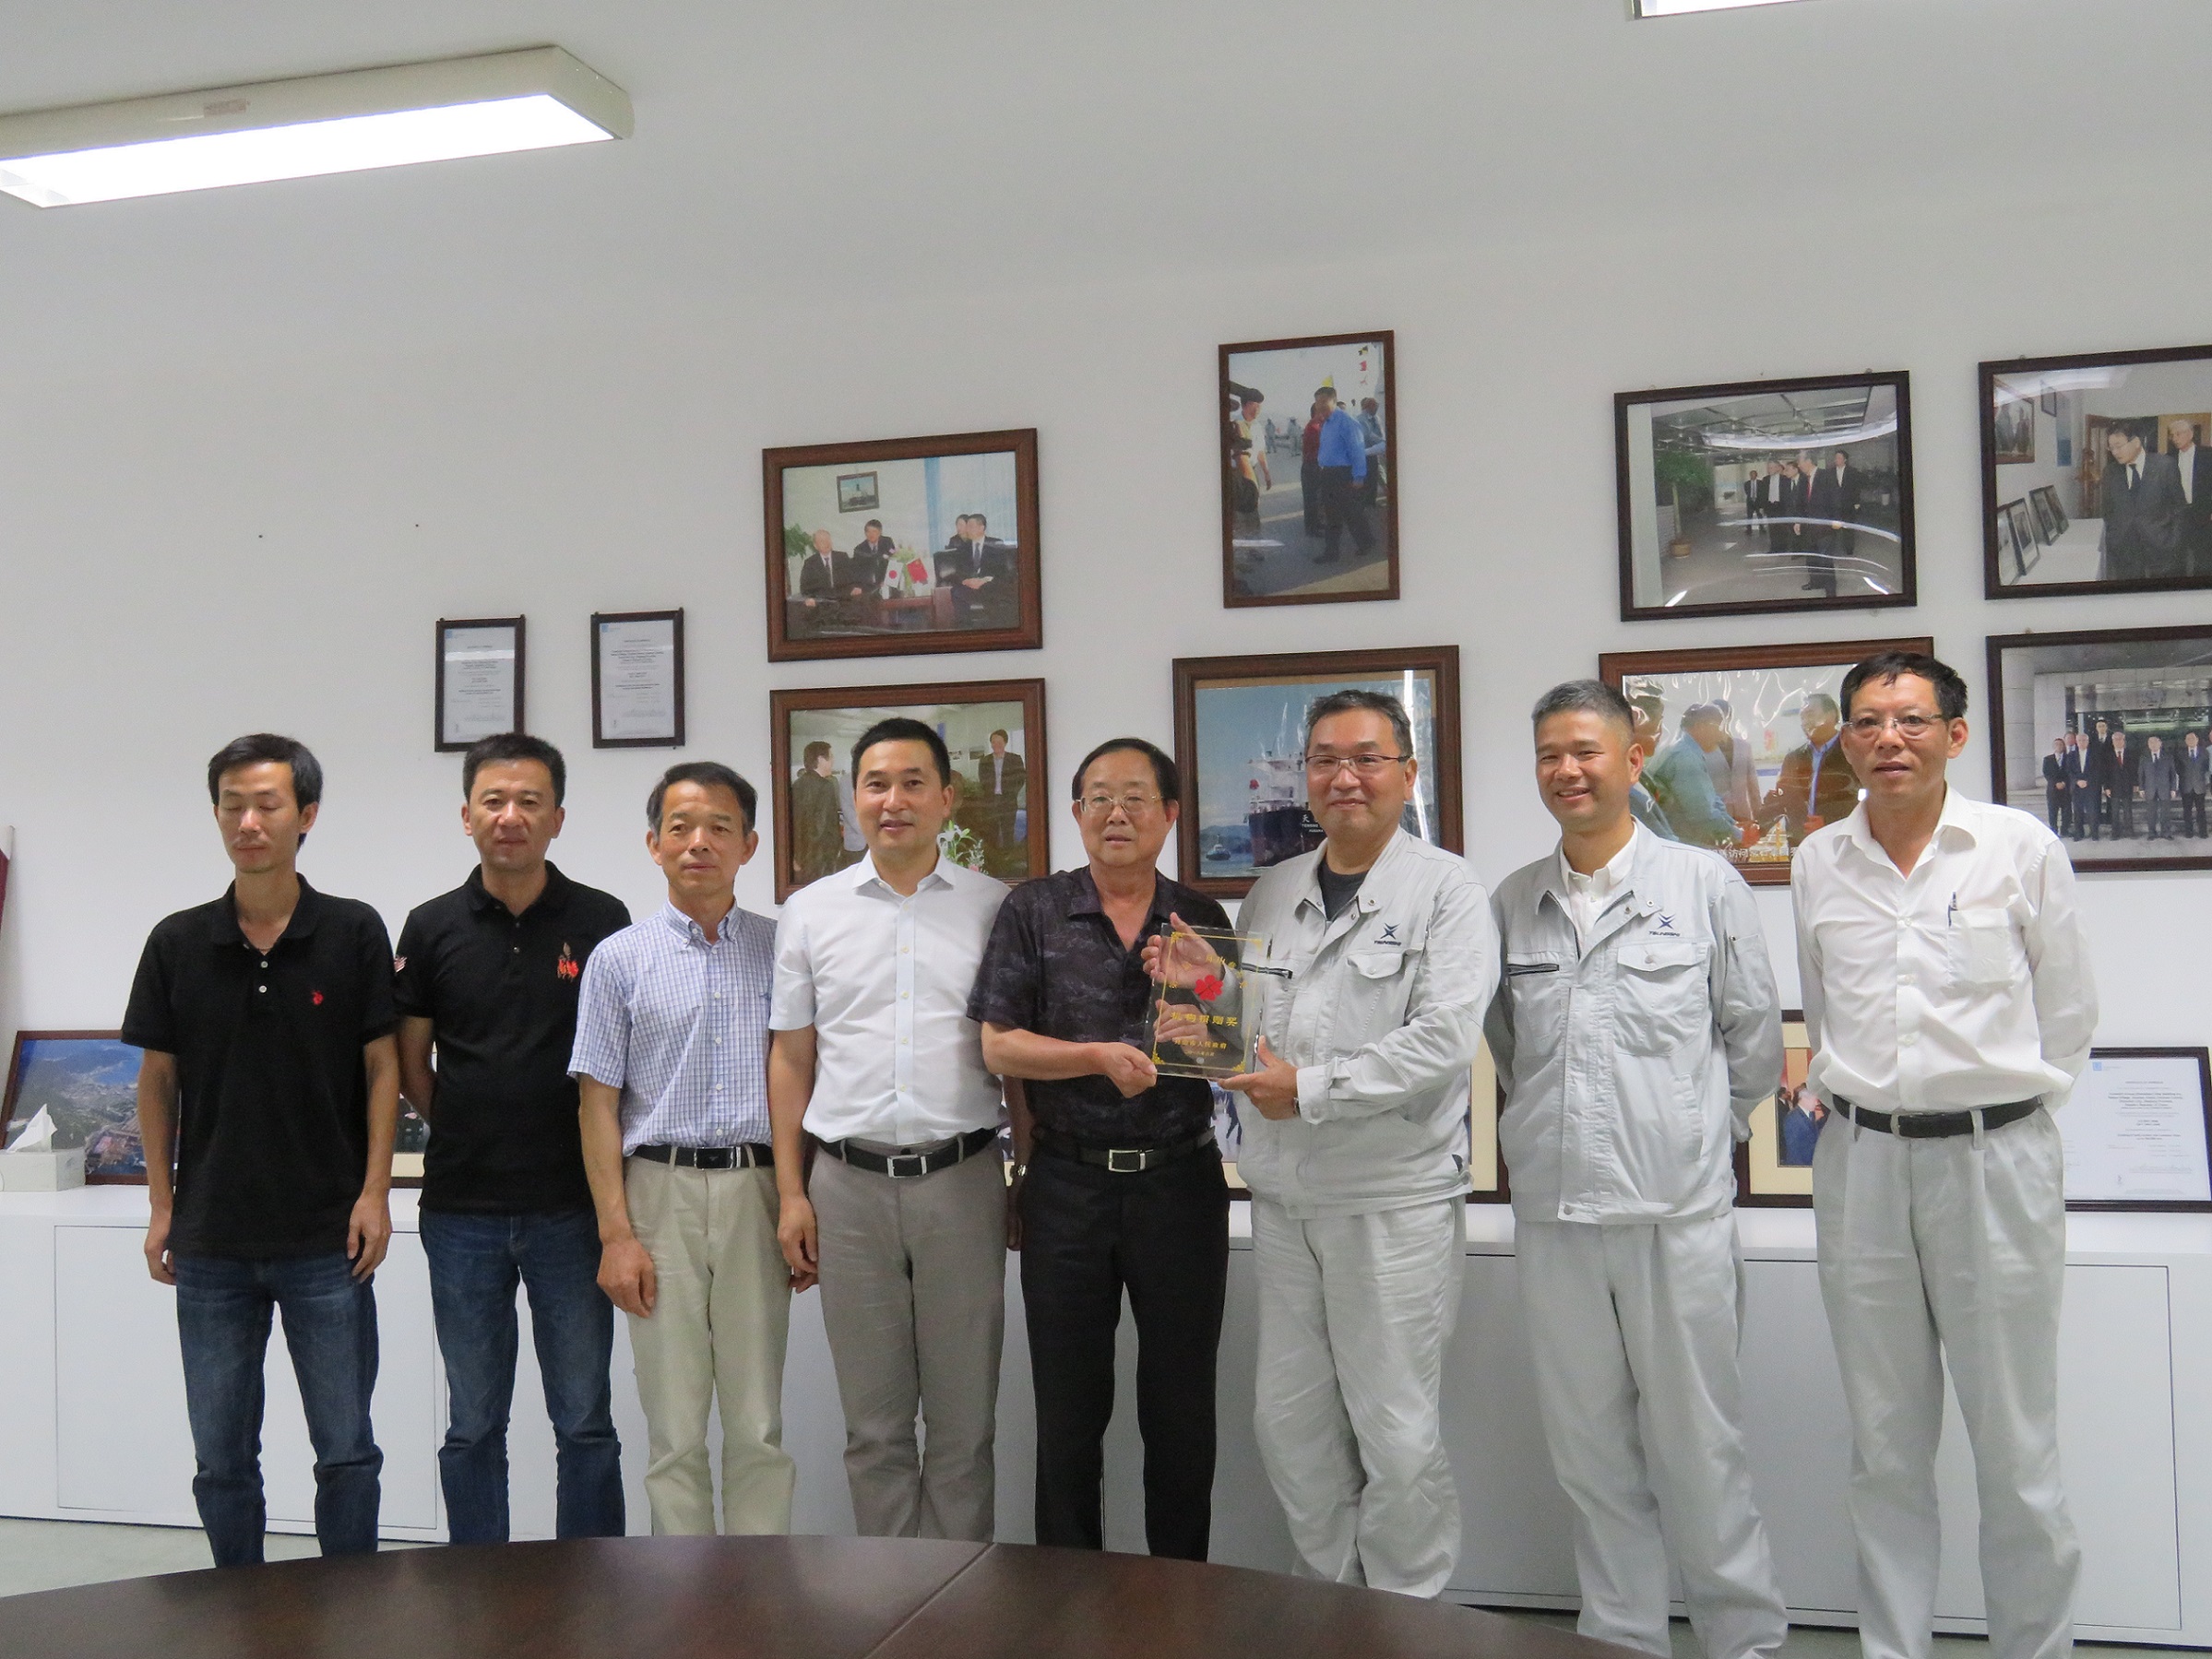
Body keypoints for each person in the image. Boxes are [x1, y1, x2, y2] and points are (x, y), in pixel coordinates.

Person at [1793, 649, 2097, 1659]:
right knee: (1883, 1444)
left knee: (2016, 1446)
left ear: (1954, 735)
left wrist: (2001, 1113)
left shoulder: (2018, 848)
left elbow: (2069, 1017)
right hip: (1863, 1165)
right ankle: (1894, 1647)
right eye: (1868, 722)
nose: (1889, 738)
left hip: (1994, 1160)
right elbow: (1826, 1015)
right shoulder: (1818, 860)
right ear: (1845, 740)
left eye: (1912, 720)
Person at [1485, 680, 1787, 1659]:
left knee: (1703, 1449)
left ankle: (1743, 1640)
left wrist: (1687, 1135)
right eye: (1549, 754)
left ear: (1631, 757)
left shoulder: (1704, 886)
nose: (1566, 770)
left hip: (1675, 1216)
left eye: (1585, 750)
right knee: (1590, 1457)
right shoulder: (1513, 901)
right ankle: (1620, 1637)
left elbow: (1751, 1043)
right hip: (1557, 1215)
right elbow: (1510, 1049)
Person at [1209, 688, 1495, 1597]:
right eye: (1326, 759)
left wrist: (1311, 1089)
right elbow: (1243, 1031)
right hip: (1284, 1199)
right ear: (1304, 776)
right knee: (1290, 1425)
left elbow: (1442, 1040)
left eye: (1368, 758)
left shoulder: (1447, 889)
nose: (1345, 776)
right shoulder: (1272, 888)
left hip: (1391, 1200)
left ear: (1407, 773)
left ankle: (1406, 1613)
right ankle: (1331, 1604)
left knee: (1397, 1431)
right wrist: (1196, 998)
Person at [123, 734, 398, 1566]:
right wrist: (162, 1206)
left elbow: (382, 1067)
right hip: (212, 1241)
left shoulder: (352, 930)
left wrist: (375, 1193)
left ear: (305, 815)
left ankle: (348, 1602)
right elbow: (156, 1082)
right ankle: (235, 1607)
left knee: (346, 1450)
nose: (248, 822)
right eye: (232, 805)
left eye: (267, 804)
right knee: (222, 1460)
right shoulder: (177, 941)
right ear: (216, 815)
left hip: (327, 1239)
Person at [970, 737, 1232, 1560]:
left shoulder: (1201, 916)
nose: (1116, 813)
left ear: (1170, 813)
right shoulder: (1034, 909)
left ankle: (1180, 1591)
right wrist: (1094, 1057)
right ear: (1077, 811)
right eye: (1099, 798)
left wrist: (1197, 988)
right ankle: (1067, 1596)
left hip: (1180, 1181)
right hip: (1067, 1183)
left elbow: (1225, 1052)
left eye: (1135, 797)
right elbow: (998, 1044)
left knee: (1182, 1405)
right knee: (1067, 1407)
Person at [768, 717, 1012, 1541]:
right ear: (855, 799)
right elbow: (791, 1058)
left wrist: (1025, 1176)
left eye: (913, 782)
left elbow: (1014, 1054)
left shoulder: (995, 907)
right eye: (876, 783)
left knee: (964, 1425)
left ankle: (961, 1595)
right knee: (873, 1429)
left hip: (963, 1181)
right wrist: (792, 1192)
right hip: (846, 1188)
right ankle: (891, 1597)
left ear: (947, 797)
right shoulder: (810, 911)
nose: (893, 800)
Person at [393, 733, 631, 1544]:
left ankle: (589, 1579)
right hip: (461, 1208)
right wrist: (463, 1121)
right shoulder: (430, 926)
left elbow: (617, 1062)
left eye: (530, 801)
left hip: (573, 1206)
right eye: (493, 800)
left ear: (558, 817)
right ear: (466, 816)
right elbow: (411, 1061)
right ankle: (478, 1582)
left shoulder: (602, 920)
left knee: (585, 1420)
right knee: (472, 1423)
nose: (510, 816)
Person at [570, 763, 793, 1535]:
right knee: (673, 1428)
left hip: (757, 1188)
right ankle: (681, 1591)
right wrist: (616, 1234)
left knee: (758, 1420)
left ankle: (758, 1583)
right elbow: (597, 1104)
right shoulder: (618, 958)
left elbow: (803, 1081)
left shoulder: (783, 950)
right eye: (681, 827)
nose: (699, 842)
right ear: (654, 843)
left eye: (719, 827)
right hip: (656, 1193)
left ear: (749, 845)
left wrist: (798, 1199)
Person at [1757, 693, 1857, 845]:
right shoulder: (1794, 758)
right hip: (1800, 844)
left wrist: (1829, 821)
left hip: (1842, 841)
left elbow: (1868, 798)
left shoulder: (1852, 753)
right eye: (1802, 717)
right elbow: (1781, 798)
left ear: (1831, 716)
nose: (1805, 722)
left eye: (1810, 715)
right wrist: (1758, 827)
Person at [1643, 705, 1747, 849]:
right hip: (1680, 844)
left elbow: (1711, 800)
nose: (1722, 737)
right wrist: (1739, 836)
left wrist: (1733, 825)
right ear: (1700, 726)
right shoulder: (1685, 757)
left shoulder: (1683, 749)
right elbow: (1702, 814)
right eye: (1719, 728)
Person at [2101, 427, 2184, 582]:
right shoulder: (2110, 472)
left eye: (2118, 446)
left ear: (2136, 442)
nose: (2115, 452)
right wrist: (2115, 537)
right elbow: (2108, 511)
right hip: (2125, 550)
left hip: (2162, 547)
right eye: (2111, 448)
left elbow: (2179, 507)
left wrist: (2174, 541)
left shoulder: (2165, 466)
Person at [1312, 387, 1376, 565]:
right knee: (1331, 515)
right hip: (1328, 474)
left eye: (1323, 401)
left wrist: (1358, 477)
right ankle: (1331, 553)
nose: (1320, 405)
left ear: (1333, 400)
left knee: (1352, 513)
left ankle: (1366, 542)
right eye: (1317, 402)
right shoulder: (1326, 423)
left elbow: (1357, 450)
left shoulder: (1347, 422)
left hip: (1343, 474)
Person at [936, 514, 1017, 629]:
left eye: (971, 526)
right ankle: (965, 630)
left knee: (996, 591)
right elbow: (958, 570)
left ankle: (995, 629)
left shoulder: (995, 544)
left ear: (981, 528)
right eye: (967, 526)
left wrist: (984, 580)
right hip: (969, 585)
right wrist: (966, 580)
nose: (967, 530)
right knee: (956, 592)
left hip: (989, 584)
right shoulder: (963, 547)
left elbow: (1002, 570)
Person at [791, 741, 848, 888]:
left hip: (803, 858)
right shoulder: (826, 786)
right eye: (831, 757)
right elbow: (823, 827)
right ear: (821, 759)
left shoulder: (797, 785)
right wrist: (836, 850)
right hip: (821, 858)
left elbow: (796, 824)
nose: (833, 761)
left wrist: (797, 856)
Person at [973, 729, 1027, 877]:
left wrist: (1011, 793)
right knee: (992, 831)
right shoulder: (985, 761)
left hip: (1008, 800)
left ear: (1005, 743)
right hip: (991, 801)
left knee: (1008, 830)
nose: (996, 744)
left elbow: (1020, 778)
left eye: (999, 742)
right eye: (993, 742)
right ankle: (994, 864)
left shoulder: (1014, 759)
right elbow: (983, 780)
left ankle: (1008, 862)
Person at [2169, 418, 2212, 580]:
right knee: (2177, 557)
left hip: (2204, 513)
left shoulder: (2208, 455)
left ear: (2191, 434)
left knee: (2204, 558)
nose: (2175, 438)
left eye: (2178, 434)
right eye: (2172, 435)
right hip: (2178, 515)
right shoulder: (2169, 458)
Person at [2103, 727, 2140, 840]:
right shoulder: (2107, 755)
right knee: (2114, 811)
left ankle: (2130, 831)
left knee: (2128, 811)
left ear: (2124, 741)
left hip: (2127, 786)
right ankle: (2115, 833)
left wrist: (2136, 784)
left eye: (2120, 739)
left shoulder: (2131, 754)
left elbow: (2135, 770)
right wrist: (2106, 787)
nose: (2118, 741)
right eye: (2116, 739)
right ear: (2112, 741)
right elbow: (2105, 773)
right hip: (2113, 787)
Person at [2143, 734, 2179, 841]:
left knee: (2165, 813)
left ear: (2160, 744)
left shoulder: (2168, 757)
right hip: (2150, 789)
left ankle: (2166, 833)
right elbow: (2141, 774)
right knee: (2151, 813)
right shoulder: (2144, 758)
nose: (2153, 744)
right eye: (2150, 742)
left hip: (2165, 789)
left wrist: (2173, 788)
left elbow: (2173, 774)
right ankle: (2151, 833)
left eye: (2155, 742)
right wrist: (2141, 788)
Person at [1299, 401, 1326, 539]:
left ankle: (1315, 523)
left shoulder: (1316, 426)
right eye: (1322, 412)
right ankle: (1311, 528)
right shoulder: (1314, 428)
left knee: (1315, 498)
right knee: (1312, 499)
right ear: (1316, 413)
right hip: (1312, 466)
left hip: (1313, 466)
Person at [850, 519, 897, 595]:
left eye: (874, 531)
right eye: (868, 532)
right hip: (868, 586)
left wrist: (886, 581)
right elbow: (857, 572)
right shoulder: (859, 549)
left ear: (880, 532)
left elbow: (893, 554)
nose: (871, 534)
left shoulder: (887, 542)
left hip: (887, 583)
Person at [1358, 396, 1386, 507]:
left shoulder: (1376, 418)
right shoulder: (1361, 419)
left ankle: (1372, 502)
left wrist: (1382, 443)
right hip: (1365, 454)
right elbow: (1368, 435)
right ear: (1369, 406)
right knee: (1367, 480)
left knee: (1374, 479)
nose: (1377, 408)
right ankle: (1366, 505)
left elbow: (1381, 432)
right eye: (1375, 406)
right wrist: (1382, 442)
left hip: (1375, 453)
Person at [2181, 730, 2209, 838]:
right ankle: (2189, 832)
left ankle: (2203, 832)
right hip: (2186, 786)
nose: (2191, 740)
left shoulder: (2204, 752)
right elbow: (2179, 769)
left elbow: (2206, 768)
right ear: (2185, 741)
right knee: (2187, 811)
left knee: (2201, 810)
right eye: (2188, 739)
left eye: (2193, 738)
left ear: (2197, 740)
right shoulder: (2181, 753)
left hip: (2199, 786)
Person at [2040, 738, 2071, 836]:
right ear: (2053, 746)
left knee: (2066, 811)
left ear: (2064, 746)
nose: (2059, 746)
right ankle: (2053, 830)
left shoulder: (2069, 758)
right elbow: (2046, 773)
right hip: (2053, 789)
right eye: (2056, 744)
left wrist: (2064, 783)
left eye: (2061, 744)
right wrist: (2056, 783)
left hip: (2066, 789)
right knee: (2053, 811)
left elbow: (2071, 772)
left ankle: (2065, 830)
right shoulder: (2048, 759)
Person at [2067, 730, 2093, 840]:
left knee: (2092, 811)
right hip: (2076, 787)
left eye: (2084, 740)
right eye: (2080, 740)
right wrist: (2077, 781)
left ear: (2088, 742)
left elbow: (2097, 770)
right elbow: (2069, 771)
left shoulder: (2094, 754)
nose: (2082, 742)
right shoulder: (2071, 755)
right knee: (2078, 812)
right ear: (2076, 742)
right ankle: (2079, 833)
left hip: (2090, 787)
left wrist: (2087, 781)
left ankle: (2094, 833)